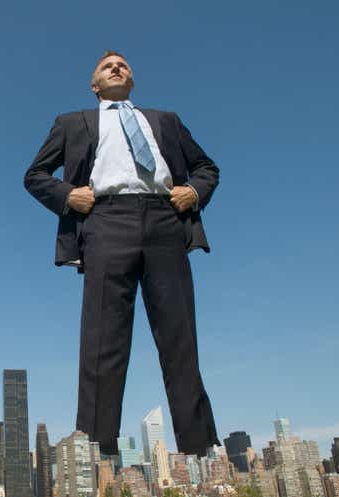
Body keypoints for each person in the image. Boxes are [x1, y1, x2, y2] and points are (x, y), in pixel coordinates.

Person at [23, 50, 220, 457]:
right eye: (106, 66)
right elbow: (35, 175)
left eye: (124, 64)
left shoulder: (166, 120)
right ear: (94, 85)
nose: (117, 67)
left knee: (179, 337)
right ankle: (96, 453)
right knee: (102, 338)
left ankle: (201, 451)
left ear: (133, 79)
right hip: (105, 221)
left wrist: (195, 191)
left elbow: (207, 167)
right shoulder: (71, 122)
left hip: (166, 219)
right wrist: (67, 195)